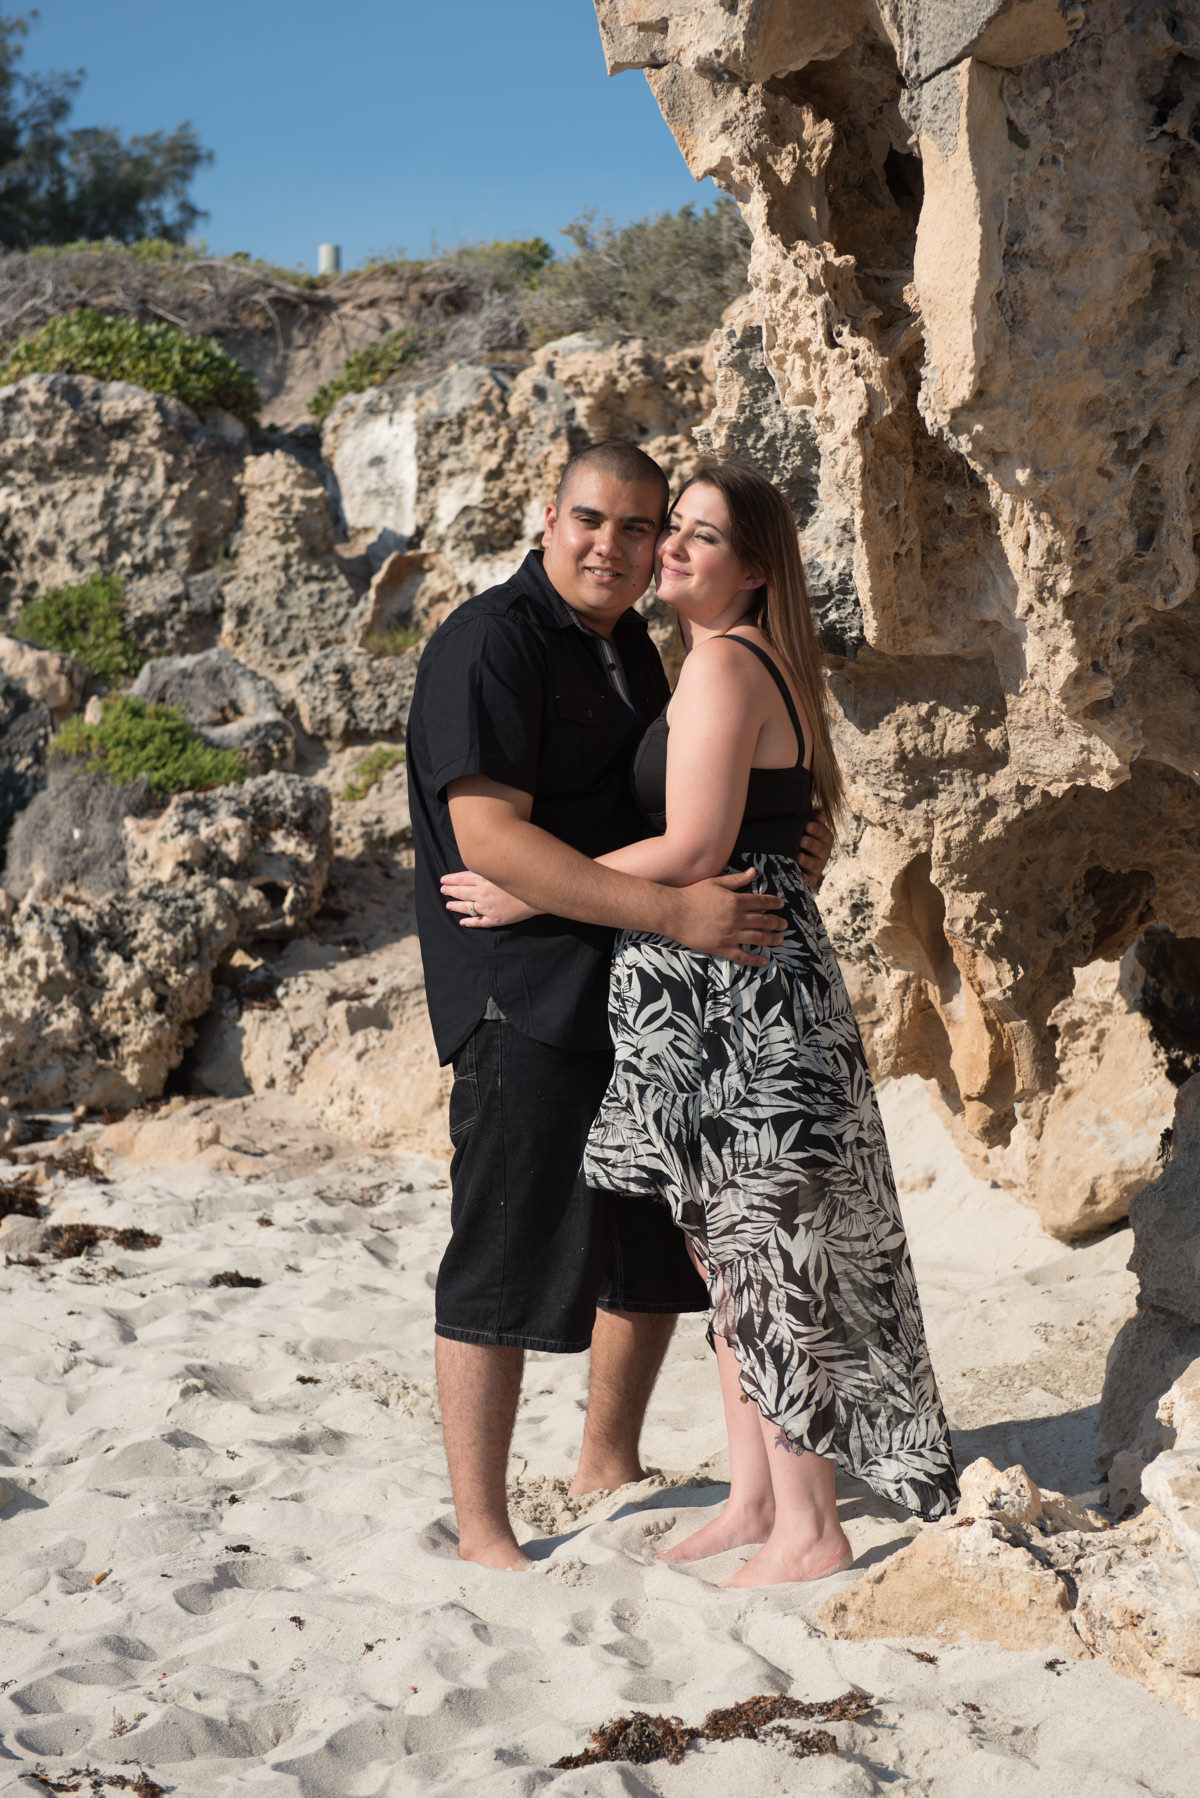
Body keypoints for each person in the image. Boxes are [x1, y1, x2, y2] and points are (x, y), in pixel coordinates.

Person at [444, 461, 959, 1586]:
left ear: (756, 568)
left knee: (767, 1254)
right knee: (732, 1254)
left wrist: (532, 886)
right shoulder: (704, 659)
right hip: (720, 986)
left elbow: (689, 852)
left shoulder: (720, 665)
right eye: (661, 528)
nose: (664, 548)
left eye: (695, 535)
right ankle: (752, 1496)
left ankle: (810, 1526)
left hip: (743, 994)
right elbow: (768, 820)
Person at [405, 440, 834, 1572]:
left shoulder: (637, 651)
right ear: (549, 517)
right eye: (594, 520)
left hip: (640, 997)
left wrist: (784, 832)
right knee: (505, 1250)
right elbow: (489, 840)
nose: (616, 545)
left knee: (653, 1246)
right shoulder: (489, 643)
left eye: (641, 529)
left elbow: (706, 792)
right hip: (524, 992)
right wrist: (680, 914)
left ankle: (607, 1457)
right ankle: (488, 1529)